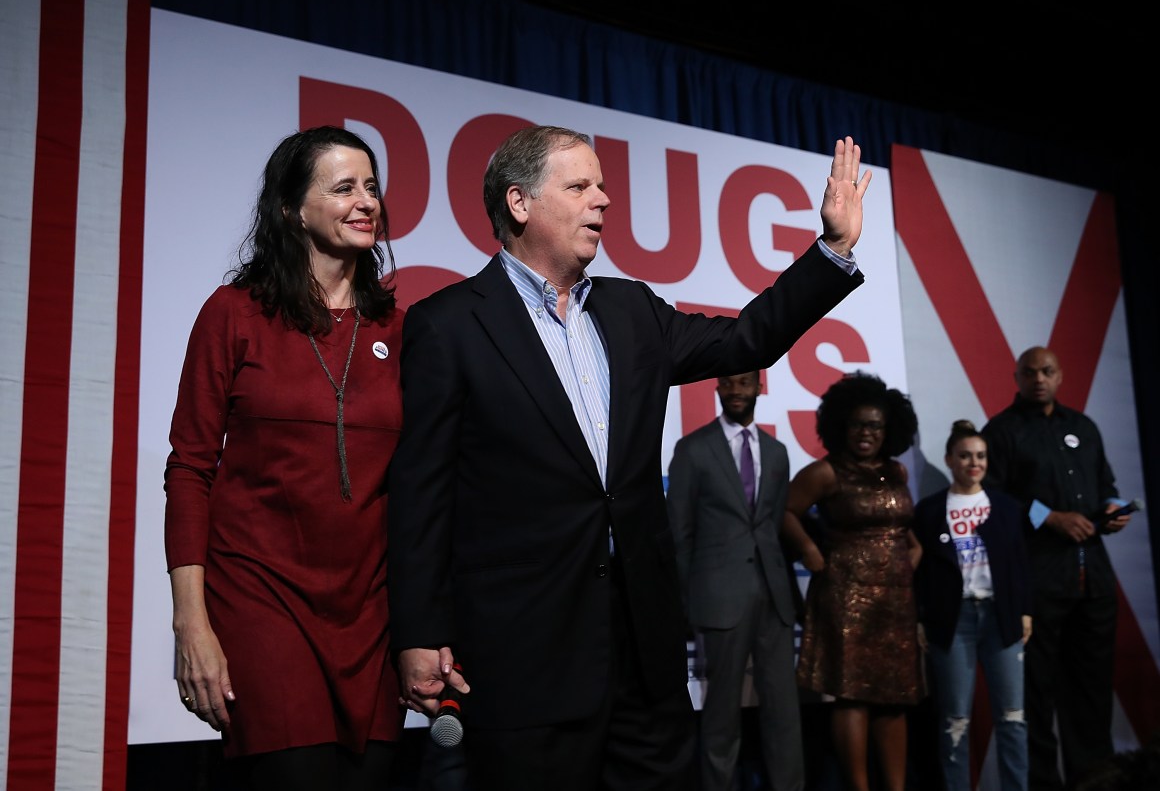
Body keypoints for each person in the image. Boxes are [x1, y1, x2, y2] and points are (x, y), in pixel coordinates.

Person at [386, 126, 869, 790]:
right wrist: (418, 630)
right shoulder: (448, 324)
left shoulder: (632, 309)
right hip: (525, 656)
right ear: (519, 203)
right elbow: (421, 492)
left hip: (645, 651)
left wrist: (833, 248)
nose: (603, 200)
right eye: (580, 186)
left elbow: (747, 338)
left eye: (604, 186)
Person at [163, 125, 405, 790]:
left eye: (372, 186)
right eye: (344, 187)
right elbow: (188, 468)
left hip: (371, 612)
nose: (366, 202)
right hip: (259, 597)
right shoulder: (233, 314)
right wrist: (192, 622)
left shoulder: (400, 329)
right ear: (292, 209)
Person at [981, 346, 1133, 790]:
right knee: (1036, 696)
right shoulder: (1003, 431)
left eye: (1047, 371)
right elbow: (991, 499)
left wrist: (1113, 507)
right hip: (1038, 582)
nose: (1039, 379)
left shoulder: (1083, 427)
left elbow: (1106, 484)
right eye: (1029, 373)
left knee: (1090, 694)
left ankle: (1095, 782)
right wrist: (1047, 517)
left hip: (1093, 582)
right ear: (1016, 377)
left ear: (1060, 375)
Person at [780, 371, 923, 791]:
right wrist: (809, 549)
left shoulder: (896, 471)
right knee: (853, 695)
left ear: (888, 429)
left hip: (895, 602)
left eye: (875, 425)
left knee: (895, 695)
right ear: (842, 425)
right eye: (858, 423)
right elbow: (785, 512)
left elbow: (901, 527)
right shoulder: (825, 472)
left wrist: (913, 553)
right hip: (847, 598)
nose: (866, 432)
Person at [666, 371, 805, 791]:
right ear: (717, 387)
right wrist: (684, 603)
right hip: (719, 597)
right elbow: (679, 533)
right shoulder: (692, 449)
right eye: (729, 383)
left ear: (759, 388)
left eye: (744, 383)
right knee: (721, 713)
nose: (736, 391)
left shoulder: (777, 453)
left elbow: (774, 524)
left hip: (775, 597)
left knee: (784, 713)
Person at [912, 419, 1034, 791]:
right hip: (954, 621)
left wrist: (1025, 610)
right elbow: (921, 571)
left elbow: (1020, 562)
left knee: (1013, 717)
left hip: (1001, 617)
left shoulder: (1007, 507)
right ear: (949, 459)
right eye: (965, 456)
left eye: (980, 456)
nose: (973, 463)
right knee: (955, 719)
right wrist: (920, 617)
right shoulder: (930, 511)